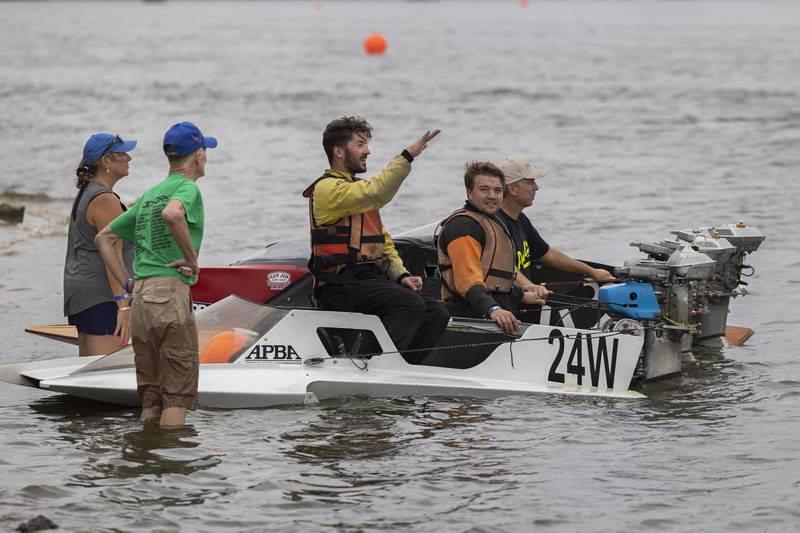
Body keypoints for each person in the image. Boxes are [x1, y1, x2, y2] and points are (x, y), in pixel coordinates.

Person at [96, 121, 217, 428]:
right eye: (206, 151)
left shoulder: (150, 195)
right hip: (169, 294)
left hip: (142, 300)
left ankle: (146, 461)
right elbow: (173, 214)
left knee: (151, 396)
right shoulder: (187, 188)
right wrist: (191, 259)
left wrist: (126, 281)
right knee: (176, 395)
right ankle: (174, 467)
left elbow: (105, 239)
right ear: (198, 155)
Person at [303, 116, 449, 364]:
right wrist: (407, 156)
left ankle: (404, 367)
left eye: (367, 144)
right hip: (338, 285)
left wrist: (400, 275)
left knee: (437, 312)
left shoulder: (359, 192)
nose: (368, 151)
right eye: (360, 144)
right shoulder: (328, 189)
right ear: (338, 151)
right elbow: (378, 191)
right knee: (409, 305)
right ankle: (367, 363)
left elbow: (384, 242)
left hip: (368, 280)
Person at [437, 161, 550, 334]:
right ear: (469, 192)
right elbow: (467, 283)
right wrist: (493, 309)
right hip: (471, 320)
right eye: (484, 189)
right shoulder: (463, 227)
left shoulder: (494, 221)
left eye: (497, 190)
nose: (492, 195)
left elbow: (495, 282)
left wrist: (522, 295)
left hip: (500, 317)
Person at [64, 133, 137, 356]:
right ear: (106, 161)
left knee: (88, 370)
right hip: (102, 296)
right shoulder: (105, 200)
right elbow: (111, 256)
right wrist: (123, 305)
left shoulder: (88, 192)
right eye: (123, 153)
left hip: (83, 293)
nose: (129, 158)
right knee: (100, 373)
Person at [496, 159, 616, 286]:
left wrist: (591, 271)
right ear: (512, 189)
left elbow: (548, 255)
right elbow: (502, 266)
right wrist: (530, 287)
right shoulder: (494, 224)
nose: (536, 187)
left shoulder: (521, 219)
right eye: (530, 182)